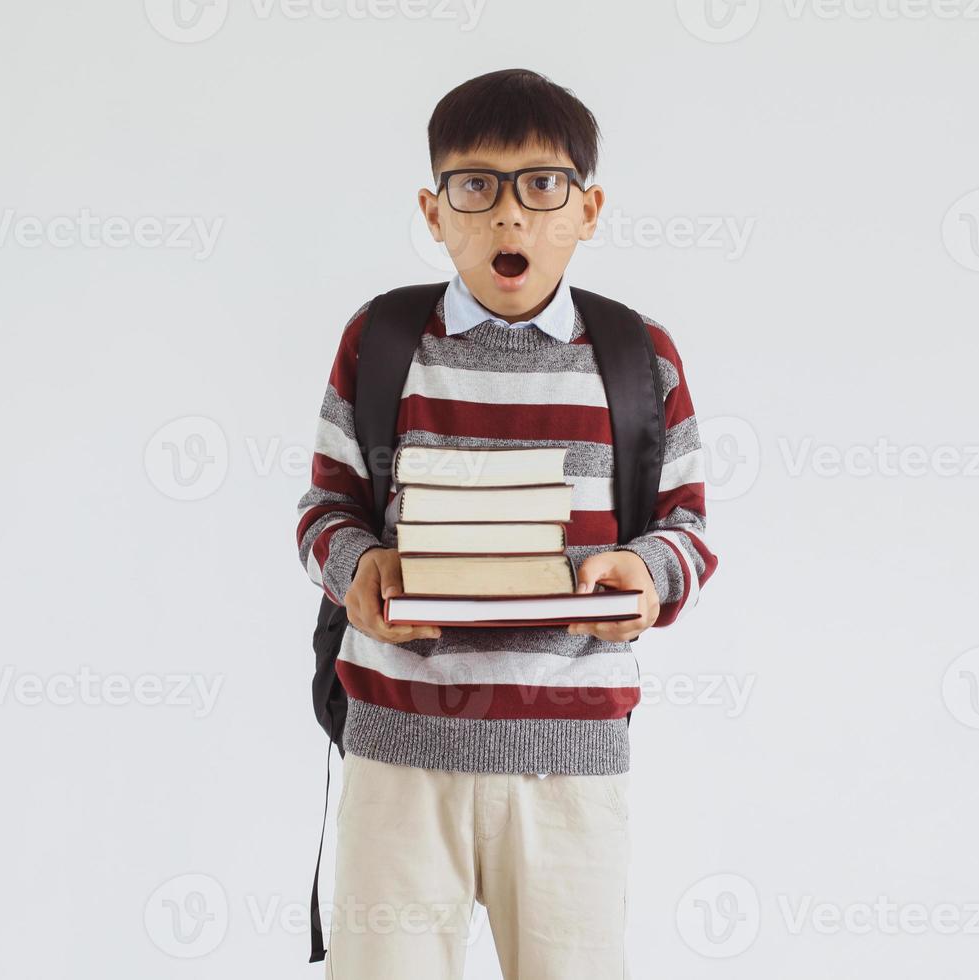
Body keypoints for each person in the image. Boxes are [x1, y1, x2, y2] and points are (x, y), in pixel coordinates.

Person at [295, 67, 720, 980]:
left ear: (588, 207)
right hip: (398, 749)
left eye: (541, 185)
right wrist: (357, 571)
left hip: (570, 758)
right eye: (475, 186)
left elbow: (684, 528)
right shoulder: (382, 342)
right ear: (434, 207)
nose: (510, 216)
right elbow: (327, 508)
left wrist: (647, 577)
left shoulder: (639, 355)